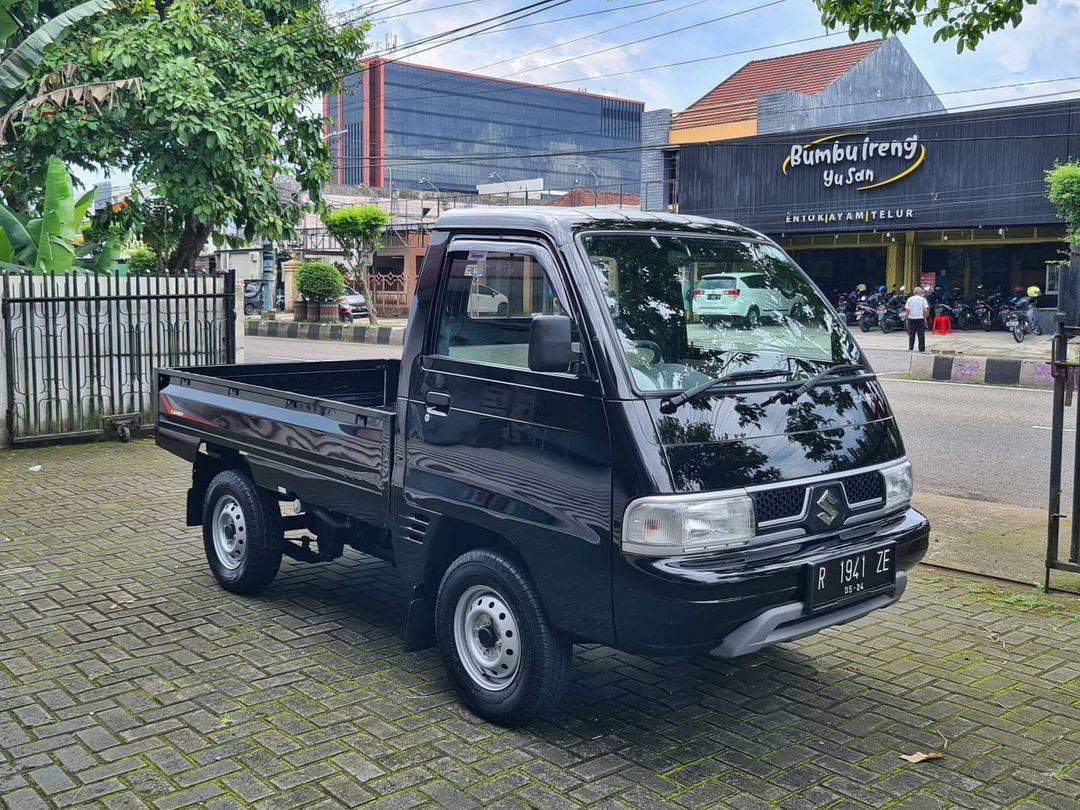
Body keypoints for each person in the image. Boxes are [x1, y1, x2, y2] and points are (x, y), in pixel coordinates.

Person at [903, 285, 930, 352]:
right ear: (920, 292)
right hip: (920, 319)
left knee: (911, 334)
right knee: (921, 334)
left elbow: (907, 310)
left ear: (914, 292)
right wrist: (925, 318)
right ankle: (921, 349)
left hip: (911, 319)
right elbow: (925, 310)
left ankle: (910, 348)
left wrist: (906, 318)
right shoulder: (923, 299)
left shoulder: (910, 299)